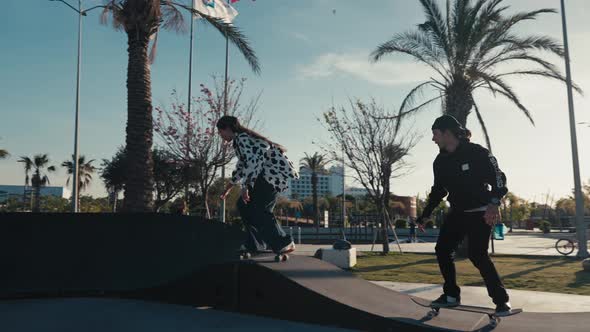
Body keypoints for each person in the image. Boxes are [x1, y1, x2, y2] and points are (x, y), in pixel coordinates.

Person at [416, 114, 511, 314]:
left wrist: (494, 203)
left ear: (447, 133)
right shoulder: (440, 162)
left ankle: (501, 301)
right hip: (458, 212)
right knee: (442, 249)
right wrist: (425, 214)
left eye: (435, 134)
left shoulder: (477, 153)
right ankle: (451, 295)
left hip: (480, 212)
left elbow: (499, 179)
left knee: (477, 255)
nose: (433, 139)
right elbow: (439, 191)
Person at [217, 115, 299, 256]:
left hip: (268, 176)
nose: (220, 136)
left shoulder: (242, 139)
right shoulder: (241, 140)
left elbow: (254, 162)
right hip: (265, 176)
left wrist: (245, 187)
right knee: (244, 206)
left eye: (220, 132)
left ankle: (284, 242)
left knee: (261, 210)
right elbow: (242, 166)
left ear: (228, 128)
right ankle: (255, 243)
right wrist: (228, 188)